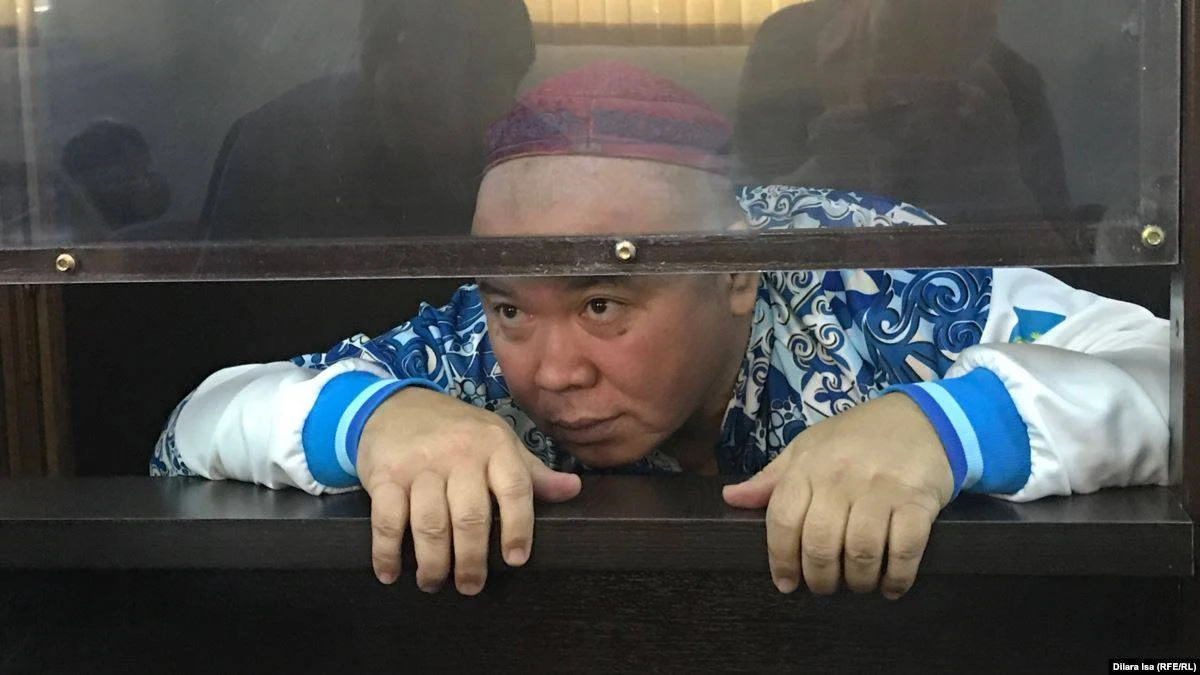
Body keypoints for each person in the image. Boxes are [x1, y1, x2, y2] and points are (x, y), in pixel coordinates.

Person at [153, 62, 1168, 600]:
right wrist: (377, 421)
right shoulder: (470, 349)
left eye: (603, 303)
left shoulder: (876, 275)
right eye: (512, 306)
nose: (551, 371)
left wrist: (941, 426)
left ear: (736, 272)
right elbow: (199, 422)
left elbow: (1167, 370)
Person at [201, 0, 535, 240]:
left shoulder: (536, 159)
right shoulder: (274, 152)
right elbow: (222, 303)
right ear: (380, 58)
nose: (457, 100)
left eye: (491, 70)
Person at [736, 0, 1074, 224]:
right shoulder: (785, 50)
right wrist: (829, 164)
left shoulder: (1007, 83)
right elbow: (744, 227)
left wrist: (997, 171)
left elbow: (1062, 267)